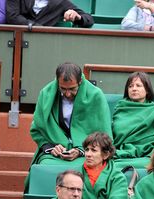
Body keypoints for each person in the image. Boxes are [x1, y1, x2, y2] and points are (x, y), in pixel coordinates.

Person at [27, 62, 112, 191]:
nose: (67, 94)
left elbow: (104, 136)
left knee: (86, 168)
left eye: (72, 89)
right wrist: (50, 148)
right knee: (45, 166)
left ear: (80, 82)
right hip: (54, 154)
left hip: (88, 152)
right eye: (63, 89)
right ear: (57, 82)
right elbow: (37, 130)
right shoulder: (45, 94)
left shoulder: (96, 95)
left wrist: (81, 151)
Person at [112, 72, 154, 168]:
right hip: (118, 152)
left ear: (147, 89)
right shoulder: (120, 108)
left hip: (147, 154)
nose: (134, 89)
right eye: (130, 86)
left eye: (138, 85)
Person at [80, 132, 128, 199]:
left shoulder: (118, 178)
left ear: (105, 155)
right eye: (87, 149)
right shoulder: (74, 174)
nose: (88, 154)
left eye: (93, 150)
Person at [6, 0, 94, 27]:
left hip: (43, 44)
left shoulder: (60, 2)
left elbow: (89, 19)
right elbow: (12, 16)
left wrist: (78, 17)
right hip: (15, 40)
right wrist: (37, 27)